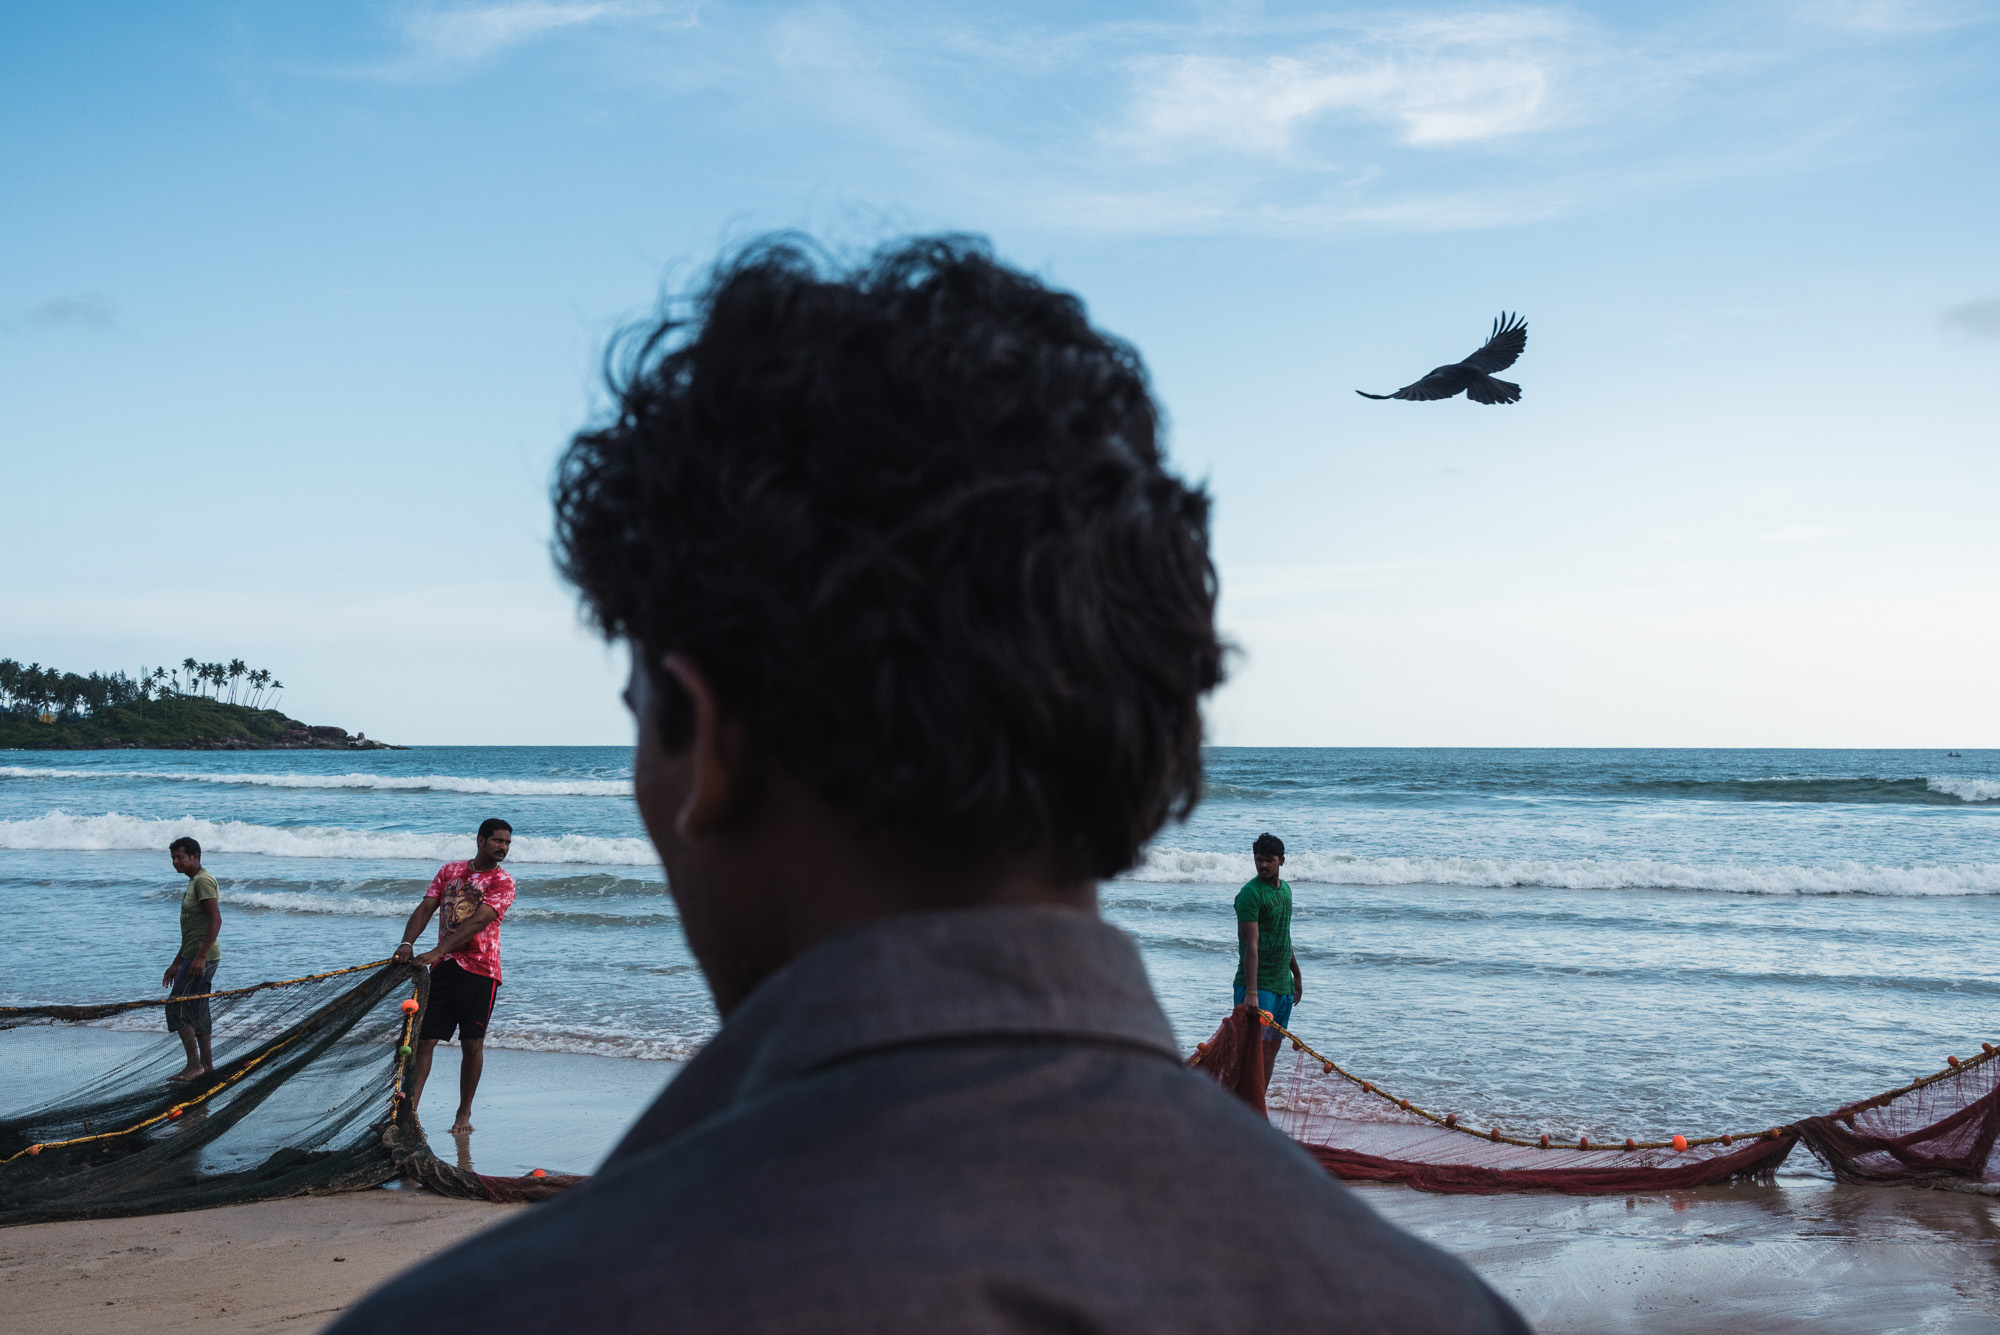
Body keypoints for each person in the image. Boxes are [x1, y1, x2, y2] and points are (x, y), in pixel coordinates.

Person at [333, 237, 1525, 1334]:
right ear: (1137, 735)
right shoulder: (1433, 1310)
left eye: (644, 716)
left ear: (709, 737)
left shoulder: (500, 1312)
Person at [391, 818, 516, 1135]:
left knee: (472, 1045)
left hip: (481, 972)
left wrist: (434, 951)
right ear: (481, 840)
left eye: (507, 843)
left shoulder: (503, 882)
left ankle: (463, 1114)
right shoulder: (450, 872)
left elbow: (476, 923)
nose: (503, 847)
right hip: (443, 970)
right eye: (498, 841)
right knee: (424, 1041)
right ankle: (409, 1113)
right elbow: (425, 908)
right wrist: (408, 943)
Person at [163, 836, 222, 1083]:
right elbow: (193, 930)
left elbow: (215, 920)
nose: (176, 862)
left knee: (176, 1008)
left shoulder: (203, 881)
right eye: (173, 858)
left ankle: (194, 1065)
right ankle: (206, 1066)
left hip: (202, 959)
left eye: (180, 857)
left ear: (195, 857)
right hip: (194, 956)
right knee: (198, 1009)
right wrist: (177, 961)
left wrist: (199, 957)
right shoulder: (193, 882)